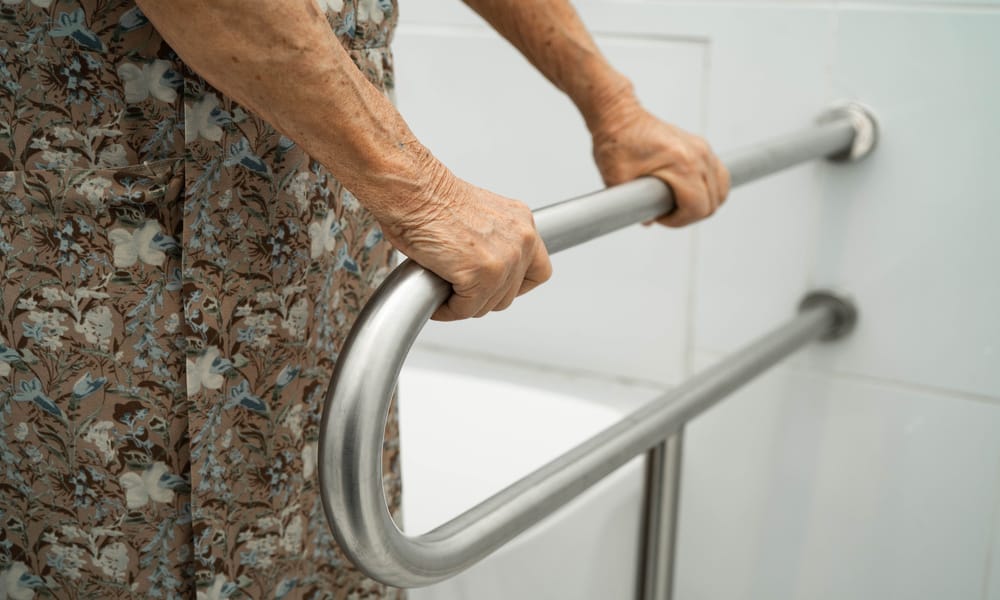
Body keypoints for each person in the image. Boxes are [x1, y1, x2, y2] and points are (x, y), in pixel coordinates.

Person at [0, 0, 729, 598]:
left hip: (321, 288)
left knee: (335, 543)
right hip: (111, 303)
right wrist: (425, 193)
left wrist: (613, 103)